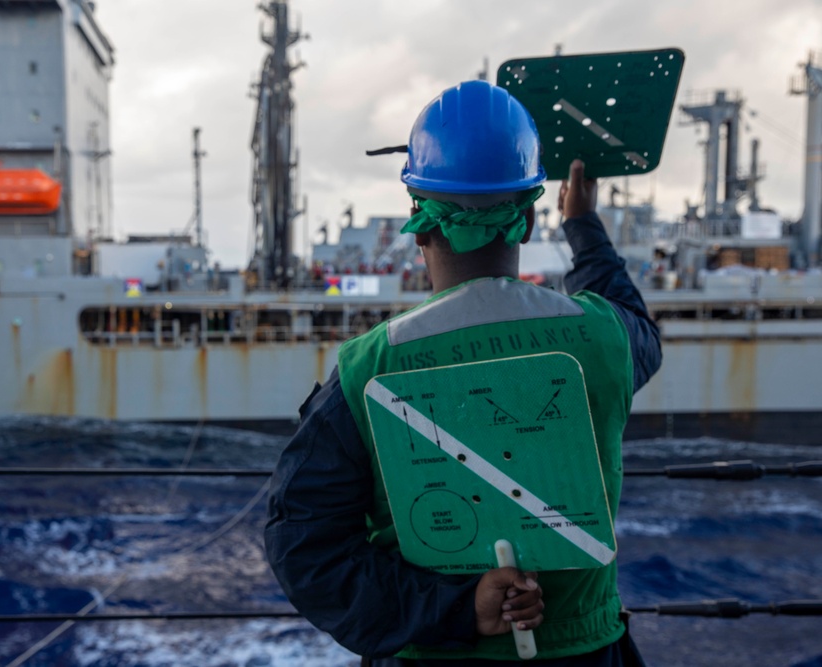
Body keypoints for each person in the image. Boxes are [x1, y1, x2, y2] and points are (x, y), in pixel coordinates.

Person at [265, 80, 662, 666]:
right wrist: (582, 224)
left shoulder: (370, 366)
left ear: (419, 223)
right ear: (527, 223)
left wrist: (459, 607)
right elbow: (636, 324)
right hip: (587, 655)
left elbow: (302, 543)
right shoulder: (605, 337)